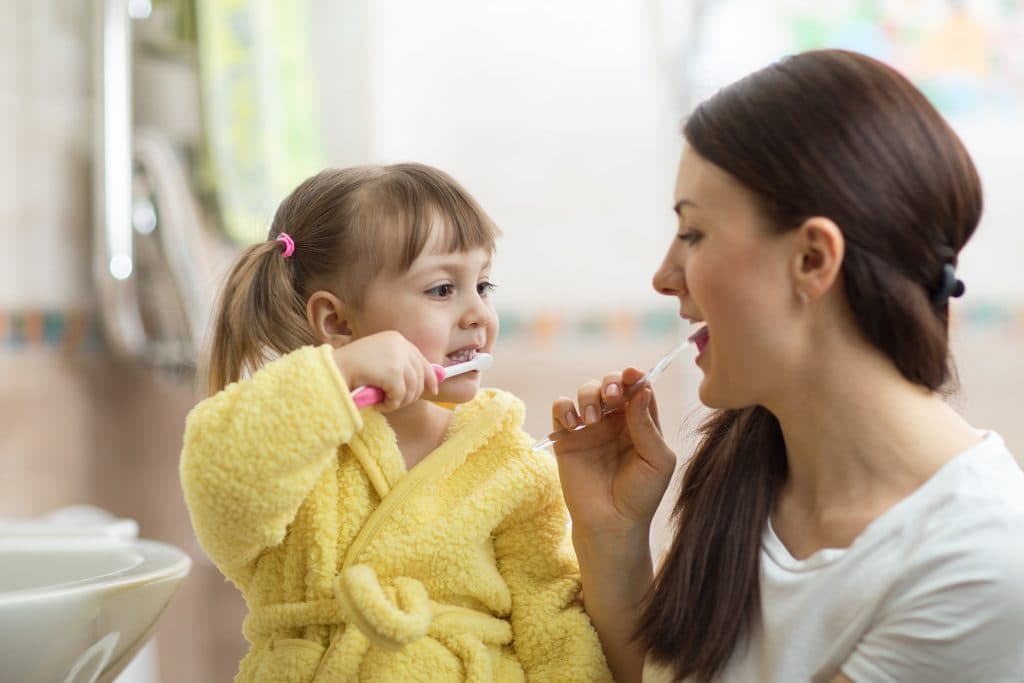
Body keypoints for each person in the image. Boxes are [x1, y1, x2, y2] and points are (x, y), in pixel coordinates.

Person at [550, 49, 1024, 683]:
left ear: (811, 259)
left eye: (693, 234)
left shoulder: (978, 562)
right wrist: (612, 536)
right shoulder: (747, 465)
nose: (665, 277)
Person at [180, 163, 612, 682]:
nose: (478, 314)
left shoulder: (504, 461)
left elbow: (554, 624)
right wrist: (335, 376)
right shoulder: (296, 438)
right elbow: (222, 495)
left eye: (483, 284)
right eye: (441, 290)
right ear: (338, 323)